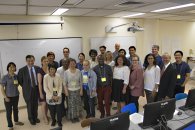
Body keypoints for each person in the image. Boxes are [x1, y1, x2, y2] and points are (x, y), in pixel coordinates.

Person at [0, 62, 24, 130]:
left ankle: (16, 121)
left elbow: (17, 85)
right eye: (10, 67)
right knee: (9, 112)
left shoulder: (16, 76)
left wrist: (14, 80)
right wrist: (5, 97)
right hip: (8, 97)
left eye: (13, 67)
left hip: (16, 96)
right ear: (8, 68)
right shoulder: (5, 77)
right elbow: (2, 88)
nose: (12, 68)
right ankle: (10, 126)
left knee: (16, 109)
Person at [18, 55, 40, 125]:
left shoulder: (37, 68)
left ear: (34, 60)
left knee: (35, 104)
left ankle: (35, 117)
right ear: (26, 61)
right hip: (28, 90)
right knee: (29, 105)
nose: (30, 62)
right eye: (29, 61)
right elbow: (20, 81)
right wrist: (26, 87)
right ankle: (31, 118)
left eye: (32, 60)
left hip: (36, 89)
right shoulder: (22, 70)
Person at [64, 58, 83, 123]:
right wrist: (66, 91)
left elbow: (81, 82)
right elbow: (65, 83)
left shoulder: (78, 71)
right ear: (69, 64)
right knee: (71, 104)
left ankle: (77, 116)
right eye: (71, 63)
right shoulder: (66, 72)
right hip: (70, 90)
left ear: (75, 64)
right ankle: (72, 117)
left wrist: (81, 90)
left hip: (77, 90)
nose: (72, 64)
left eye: (73, 63)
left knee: (77, 104)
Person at [37, 56, 49, 124]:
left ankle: (46, 115)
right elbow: (39, 83)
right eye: (45, 61)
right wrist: (41, 93)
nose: (46, 62)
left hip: (48, 90)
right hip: (42, 90)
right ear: (42, 62)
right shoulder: (40, 71)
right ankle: (44, 118)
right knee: (43, 104)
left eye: (47, 61)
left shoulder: (49, 68)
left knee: (47, 104)